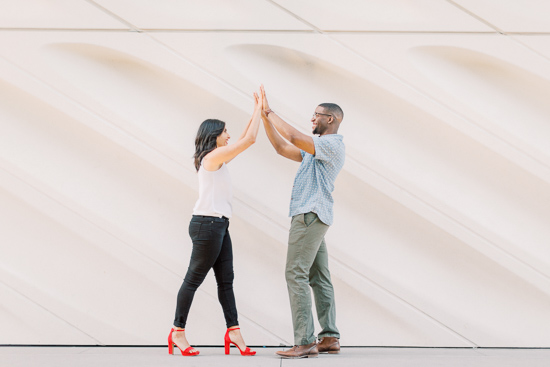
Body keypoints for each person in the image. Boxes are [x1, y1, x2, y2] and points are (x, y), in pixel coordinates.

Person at [168, 91, 263, 357]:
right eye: (224, 132)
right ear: (214, 136)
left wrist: (256, 110)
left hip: (218, 225)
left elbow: (245, 137)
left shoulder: (217, 158)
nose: (229, 136)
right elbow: (251, 140)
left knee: (226, 282)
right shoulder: (211, 159)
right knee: (193, 280)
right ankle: (177, 332)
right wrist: (259, 109)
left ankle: (233, 331)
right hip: (206, 226)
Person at [260, 85, 345, 359]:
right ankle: (329, 337)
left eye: (316, 115)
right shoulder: (315, 149)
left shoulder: (331, 145)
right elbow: (281, 147)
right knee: (319, 277)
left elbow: (294, 137)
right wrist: (264, 118)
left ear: (329, 119)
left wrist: (271, 111)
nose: (312, 118)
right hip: (315, 217)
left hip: (309, 216)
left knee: (294, 273)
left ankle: (305, 341)